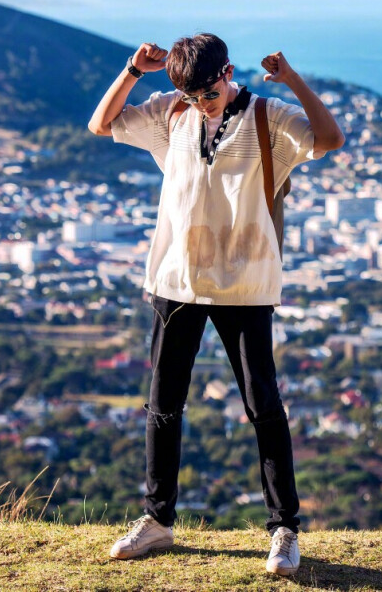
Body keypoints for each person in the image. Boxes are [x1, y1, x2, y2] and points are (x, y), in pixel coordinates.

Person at [87, 33, 344, 575]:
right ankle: (157, 520)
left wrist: (292, 79)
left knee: (262, 405)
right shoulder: (171, 111)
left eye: (208, 92)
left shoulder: (268, 117)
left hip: (246, 282)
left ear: (228, 73)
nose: (200, 103)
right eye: (191, 94)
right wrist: (133, 71)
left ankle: (283, 530)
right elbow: (101, 124)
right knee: (164, 403)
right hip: (176, 279)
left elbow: (330, 138)